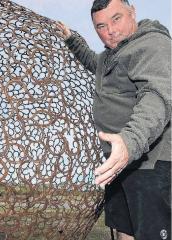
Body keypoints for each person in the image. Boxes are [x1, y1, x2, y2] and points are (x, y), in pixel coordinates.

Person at [56, 0, 171, 239]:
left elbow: (157, 96)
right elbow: (93, 62)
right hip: (119, 162)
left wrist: (130, 142)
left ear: (133, 12)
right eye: (101, 26)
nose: (110, 30)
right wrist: (71, 39)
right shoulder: (112, 55)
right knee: (123, 230)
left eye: (116, 19)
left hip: (150, 162)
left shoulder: (153, 45)